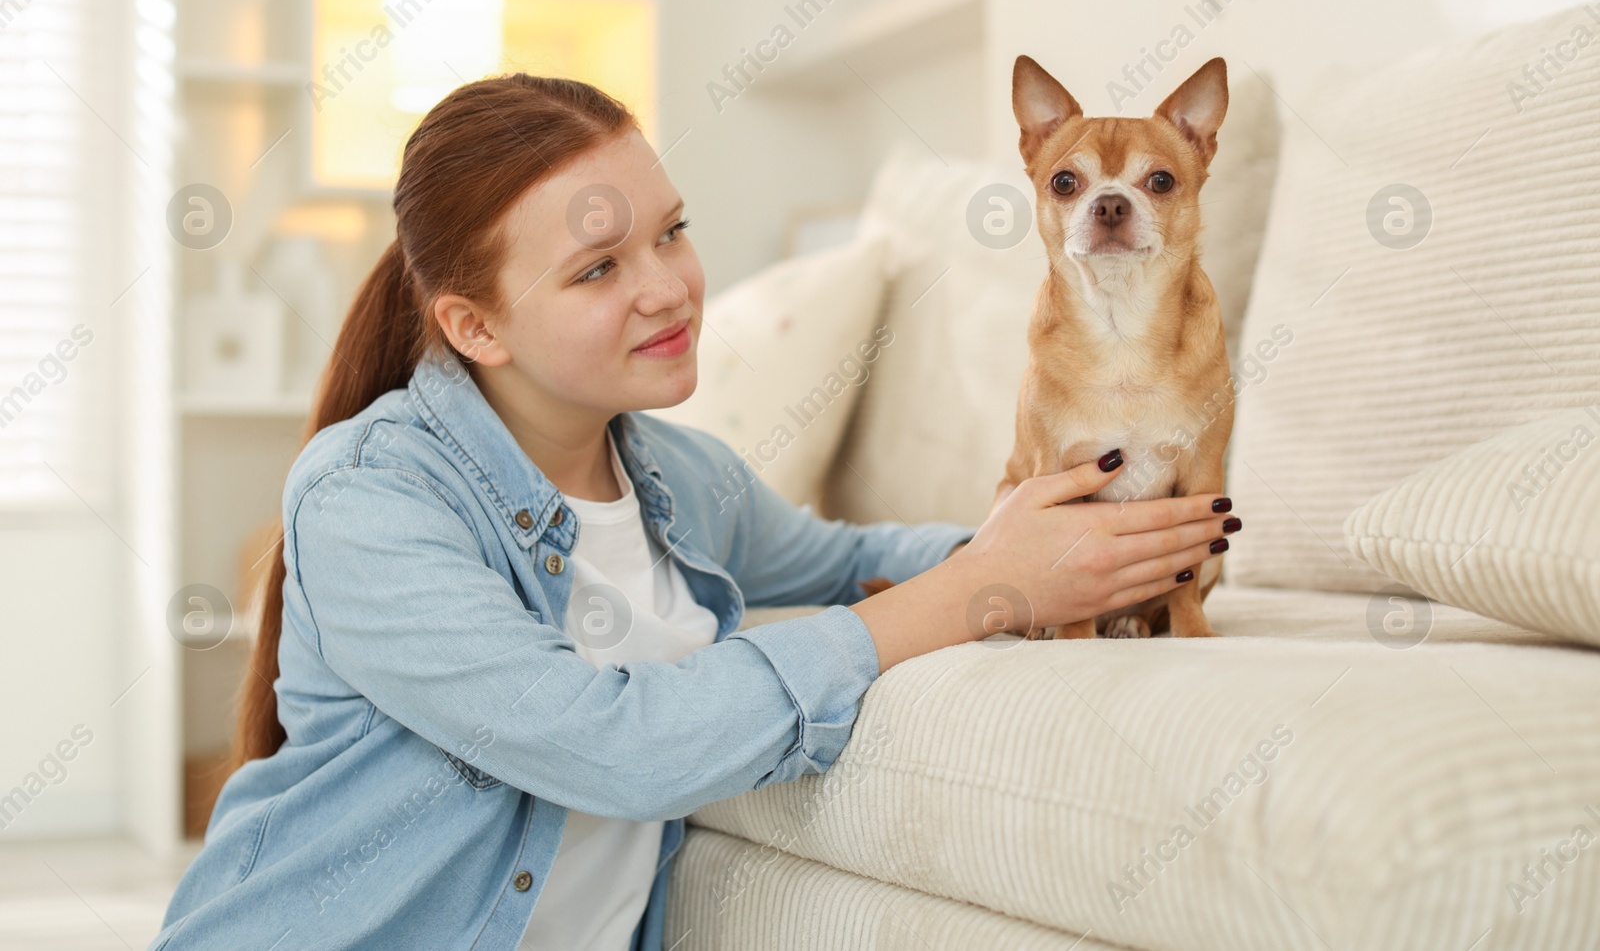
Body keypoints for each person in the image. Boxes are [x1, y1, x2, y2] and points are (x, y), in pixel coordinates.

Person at [148, 73, 1237, 951]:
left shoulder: (679, 475)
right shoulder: (369, 499)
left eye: (671, 231)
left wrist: (1073, 540)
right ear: (475, 326)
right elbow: (611, 744)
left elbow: (848, 554)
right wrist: (960, 596)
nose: (668, 286)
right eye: (597, 268)